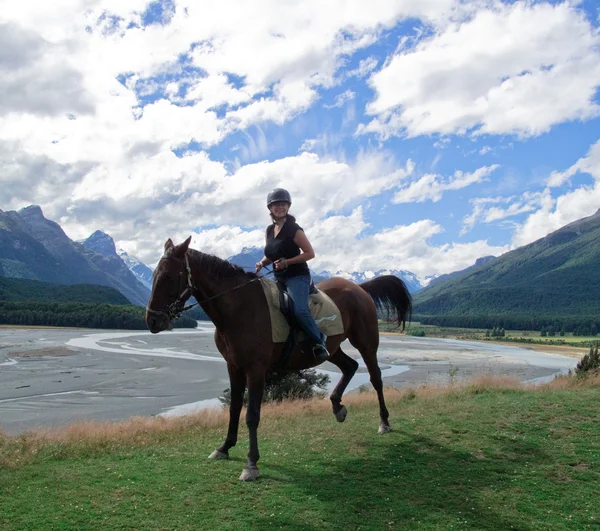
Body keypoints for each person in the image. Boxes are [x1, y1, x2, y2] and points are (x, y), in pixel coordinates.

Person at [255, 188, 330, 363]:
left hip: (297, 276)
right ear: (270, 208)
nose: (279, 207)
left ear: (288, 206)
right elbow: (272, 253)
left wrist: (287, 262)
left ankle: (318, 343)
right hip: (278, 277)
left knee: (299, 309)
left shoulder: (294, 229)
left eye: (283, 204)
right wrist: (262, 262)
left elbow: (310, 253)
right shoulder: (269, 230)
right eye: (275, 204)